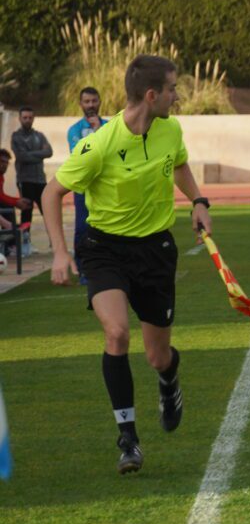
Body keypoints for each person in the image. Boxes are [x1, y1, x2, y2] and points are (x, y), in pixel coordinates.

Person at [42, 55, 212, 474]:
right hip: (104, 250)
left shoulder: (170, 129)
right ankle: (128, 439)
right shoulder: (99, 144)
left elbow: (181, 164)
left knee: (158, 356)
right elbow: (51, 193)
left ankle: (169, 379)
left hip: (155, 252)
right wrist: (61, 253)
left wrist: (199, 201)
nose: (178, 96)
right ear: (152, 95)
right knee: (116, 333)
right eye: (173, 89)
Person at [68, 87, 104, 284]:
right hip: (83, 188)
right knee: (82, 228)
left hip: (106, 188)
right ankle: (82, 270)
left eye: (94, 101)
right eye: (87, 101)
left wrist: (99, 129)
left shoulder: (109, 126)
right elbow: (81, 155)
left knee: (107, 228)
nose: (91, 105)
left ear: (100, 102)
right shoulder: (74, 130)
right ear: (81, 104)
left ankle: (106, 266)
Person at [10, 107, 53, 235]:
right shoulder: (16, 137)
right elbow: (21, 157)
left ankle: (54, 242)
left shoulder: (39, 136)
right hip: (25, 180)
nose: (28, 120)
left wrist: (30, 154)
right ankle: (25, 243)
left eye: (30, 117)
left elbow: (49, 152)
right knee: (26, 212)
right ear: (20, 119)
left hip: (40, 179)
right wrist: (40, 154)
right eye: (25, 118)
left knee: (47, 212)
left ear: (33, 118)